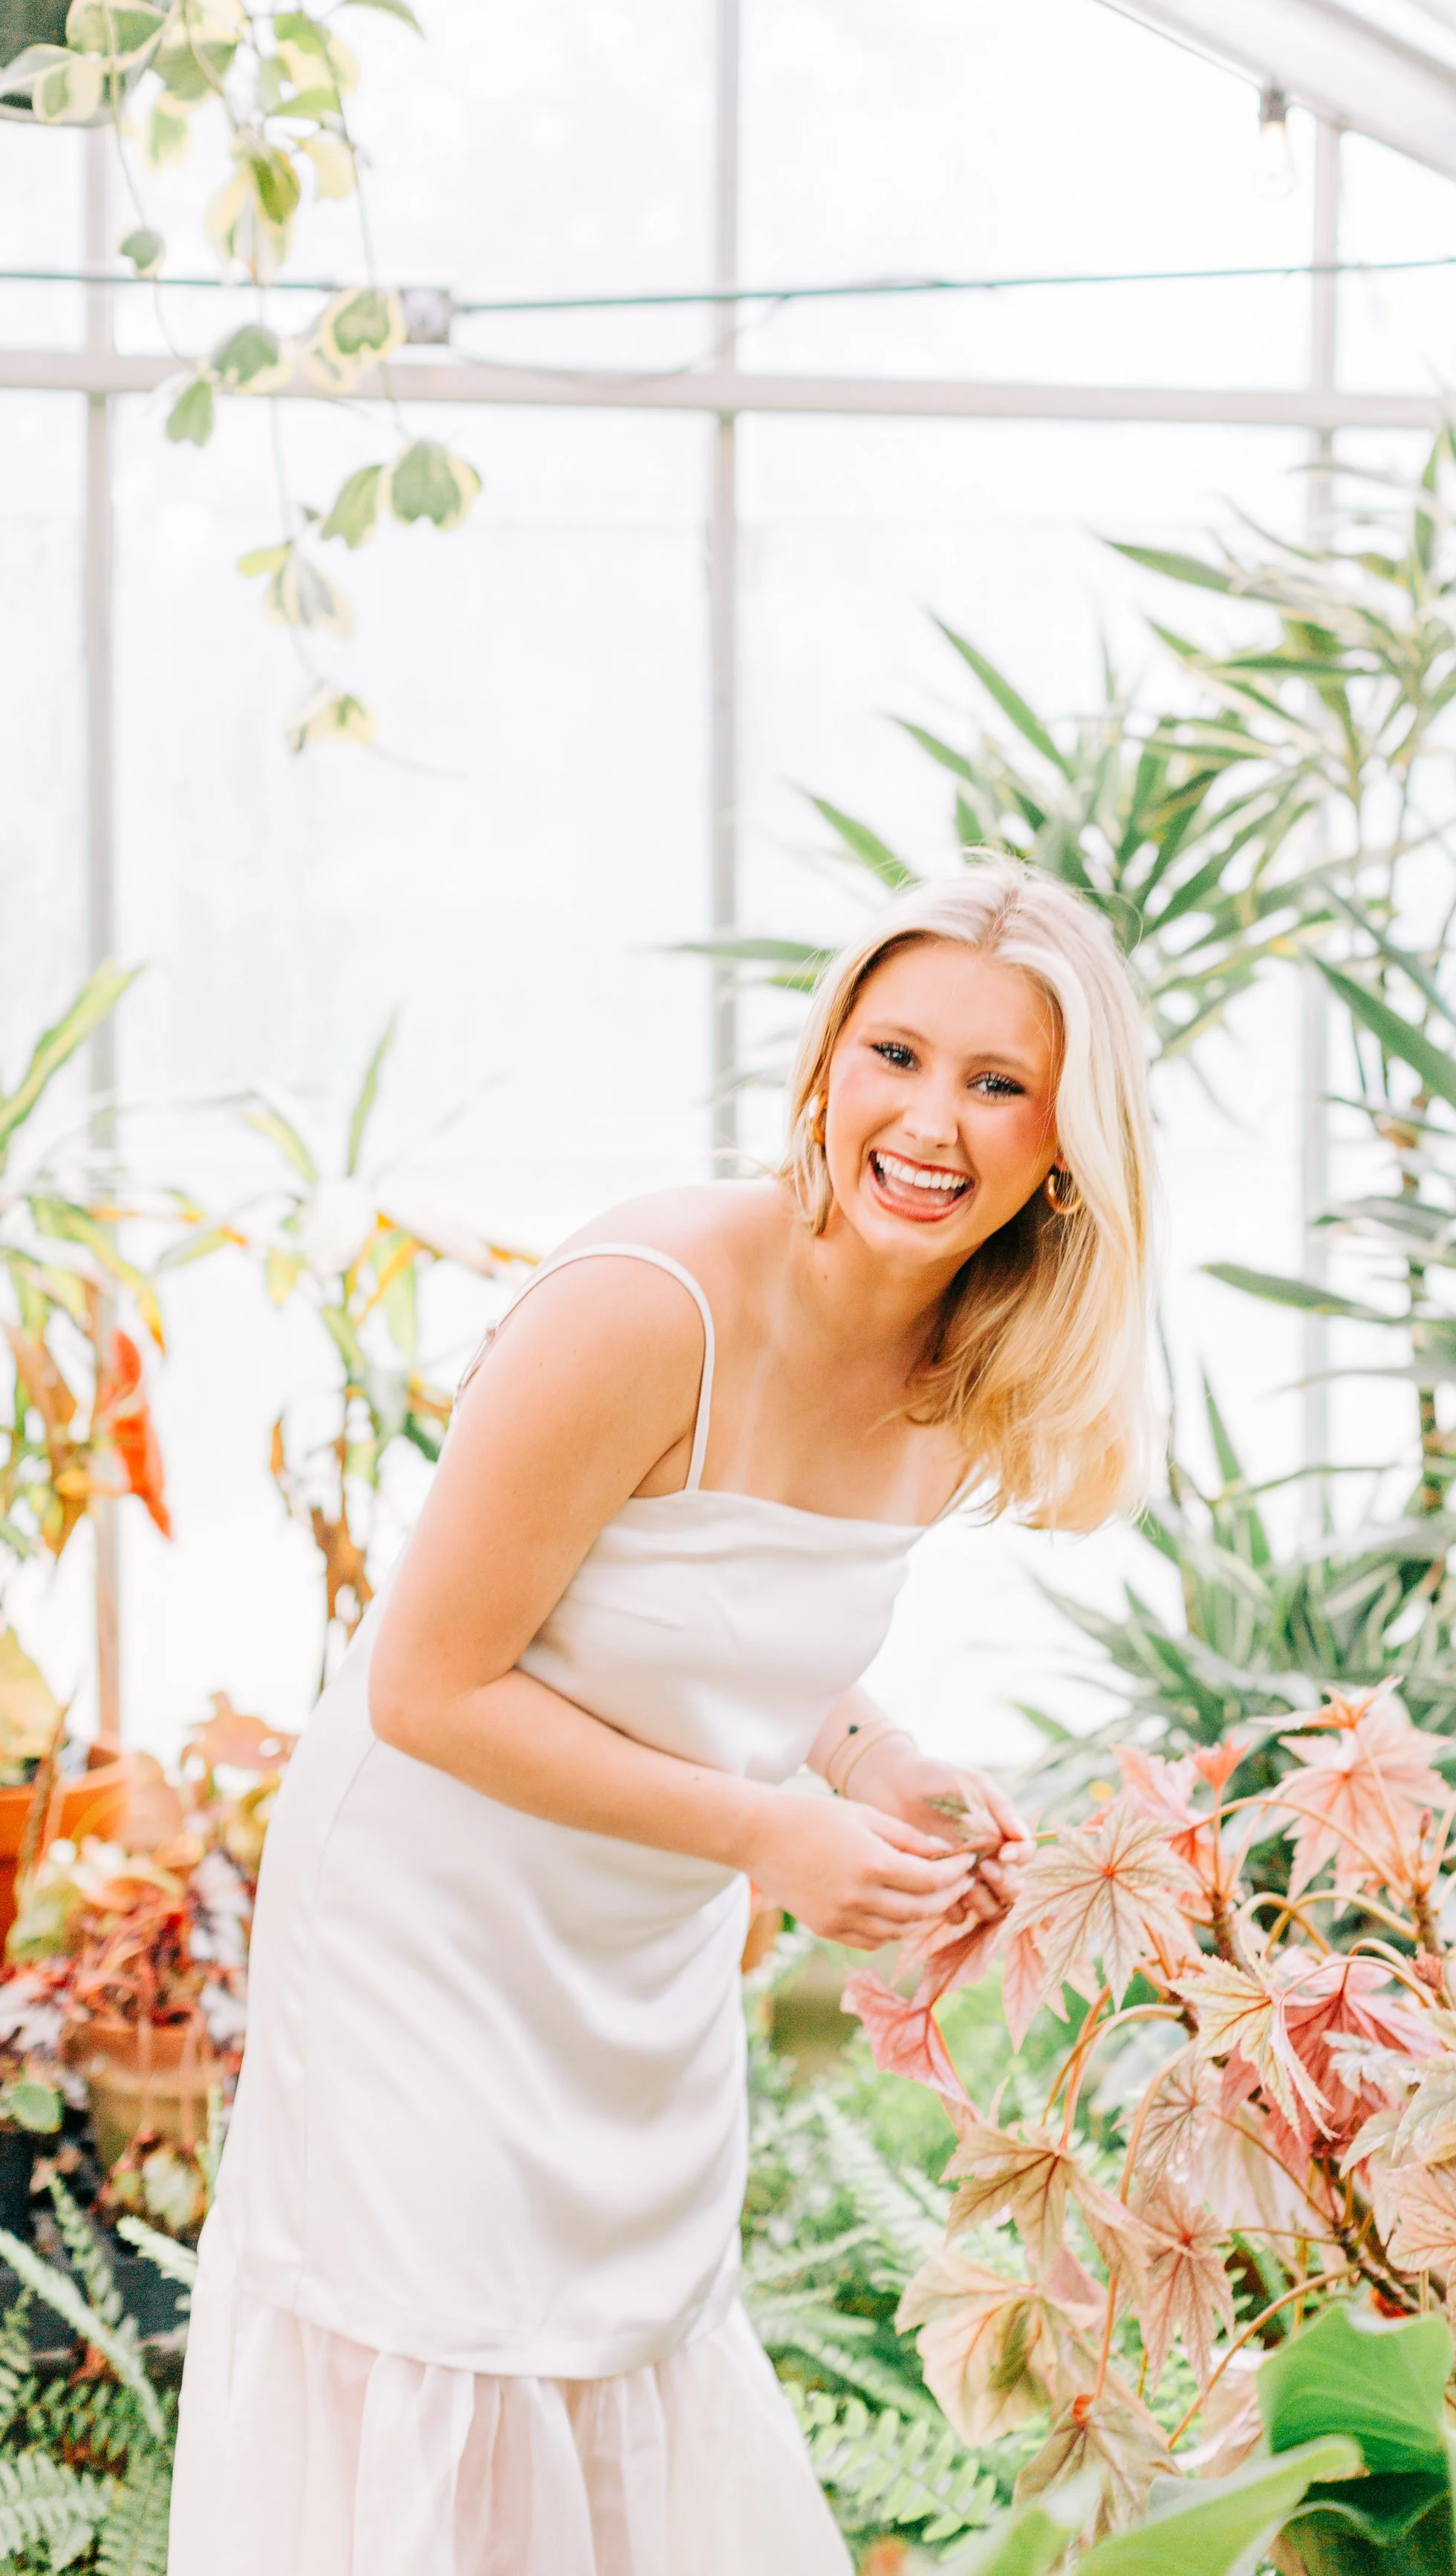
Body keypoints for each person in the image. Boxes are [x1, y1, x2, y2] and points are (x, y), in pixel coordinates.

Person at [168, 853, 1159, 2575]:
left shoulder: (961, 1362)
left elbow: (721, 1623)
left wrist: (874, 1762)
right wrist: (773, 1834)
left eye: (998, 1083)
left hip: (637, 1940)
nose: (930, 1121)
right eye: (895, 1055)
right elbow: (428, 1684)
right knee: (441, 2339)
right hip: (430, 1918)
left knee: (622, 2346)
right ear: (825, 1066)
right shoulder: (647, 1304)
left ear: (1068, 1141)